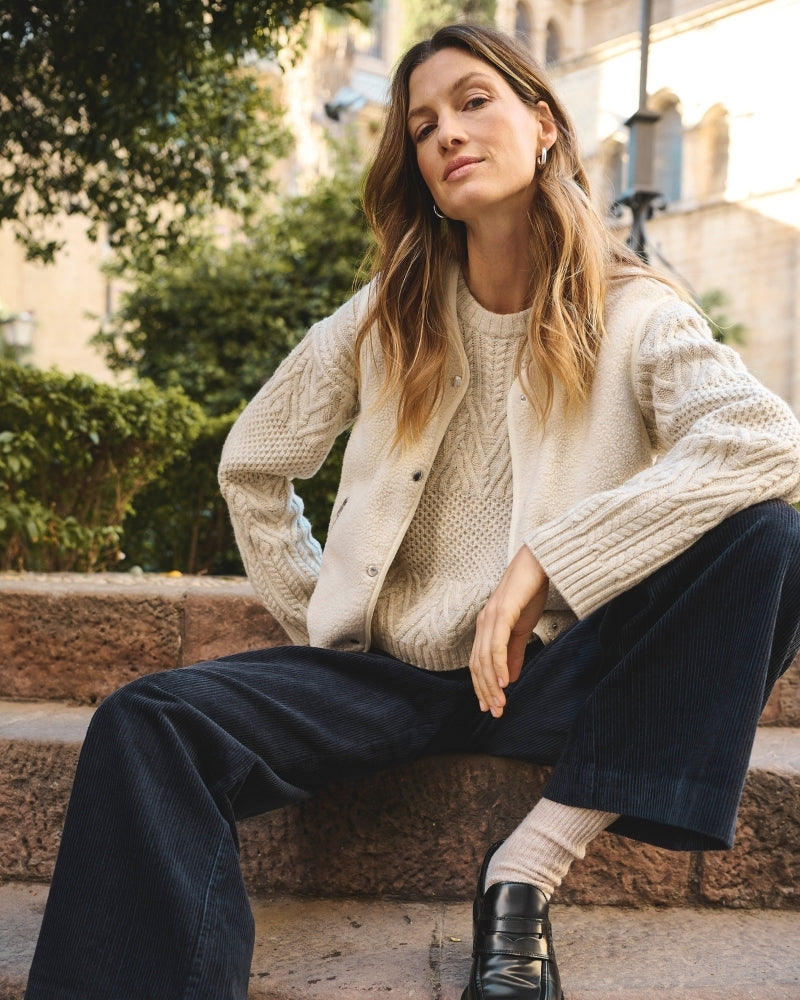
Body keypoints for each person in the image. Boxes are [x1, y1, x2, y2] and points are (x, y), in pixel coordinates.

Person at [25, 22, 800, 1000]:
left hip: (555, 674)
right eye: (421, 122)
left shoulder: (636, 309)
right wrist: (329, 614)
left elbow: (764, 441)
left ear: (544, 124)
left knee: (770, 535)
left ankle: (522, 872)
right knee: (147, 719)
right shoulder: (385, 311)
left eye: (473, 101)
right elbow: (254, 463)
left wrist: (543, 567)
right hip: (390, 679)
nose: (445, 133)